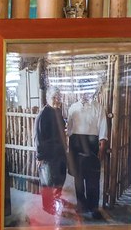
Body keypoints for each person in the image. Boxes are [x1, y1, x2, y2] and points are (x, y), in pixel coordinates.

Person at [66, 91, 109, 219]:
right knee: (78, 177)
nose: (84, 95)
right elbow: (69, 129)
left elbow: (103, 126)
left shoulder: (98, 107)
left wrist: (102, 145)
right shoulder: (73, 107)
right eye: (82, 92)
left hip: (92, 144)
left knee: (93, 178)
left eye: (87, 92)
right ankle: (81, 205)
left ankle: (93, 207)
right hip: (76, 144)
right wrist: (69, 147)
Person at [34, 86, 68, 216]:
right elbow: (38, 136)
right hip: (47, 155)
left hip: (59, 153)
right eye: (54, 97)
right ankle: (48, 207)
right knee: (47, 182)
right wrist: (40, 156)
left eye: (58, 97)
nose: (57, 99)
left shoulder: (58, 112)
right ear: (48, 98)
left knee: (60, 178)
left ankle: (56, 200)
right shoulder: (43, 114)